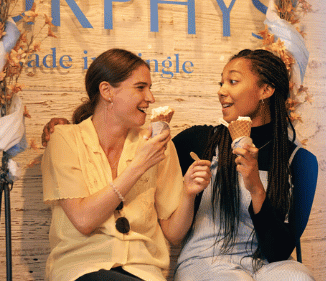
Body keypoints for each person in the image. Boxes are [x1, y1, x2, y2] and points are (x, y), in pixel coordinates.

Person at [42, 48, 210, 281]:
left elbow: (174, 233)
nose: (151, 98)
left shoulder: (158, 143)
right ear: (107, 91)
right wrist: (139, 166)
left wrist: (189, 193)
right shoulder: (64, 139)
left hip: (143, 271)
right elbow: (83, 221)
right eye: (141, 87)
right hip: (81, 269)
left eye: (149, 88)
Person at [172, 49, 315, 280]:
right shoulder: (199, 142)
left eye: (233, 81)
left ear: (265, 90)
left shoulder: (300, 161)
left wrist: (256, 187)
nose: (221, 91)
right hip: (207, 261)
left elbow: (278, 251)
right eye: (221, 82)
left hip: (269, 265)